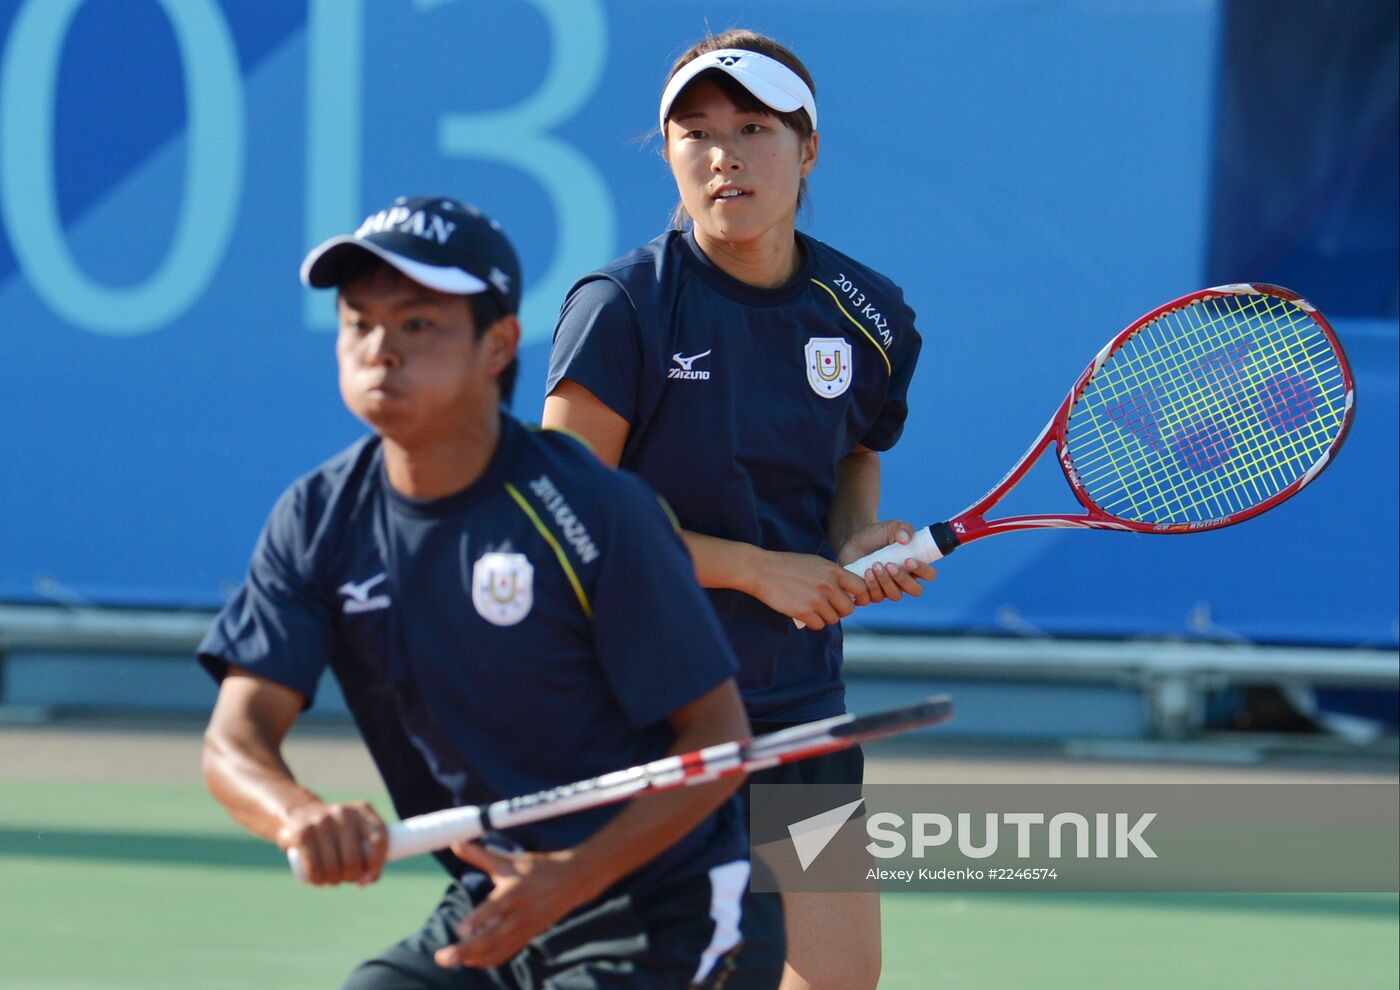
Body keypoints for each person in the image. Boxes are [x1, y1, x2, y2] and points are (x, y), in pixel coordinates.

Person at [199, 195, 785, 990]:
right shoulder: (317, 519)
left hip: (665, 905)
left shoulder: (593, 509)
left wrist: (568, 878)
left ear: (498, 345)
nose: (379, 350)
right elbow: (235, 741)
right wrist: (298, 814)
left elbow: (715, 742)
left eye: (416, 324)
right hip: (495, 903)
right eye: (358, 323)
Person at [542, 31, 934, 990]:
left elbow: (852, 454)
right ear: (669, 155)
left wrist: (851, 539)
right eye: (697, 132)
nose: (724, 155)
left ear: (808, 149)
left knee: (837, 976)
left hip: (798, 699)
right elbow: (563, 521)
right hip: (641, 703)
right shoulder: (624, 308)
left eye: (754, 127)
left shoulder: (867, 315)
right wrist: (757, 567)